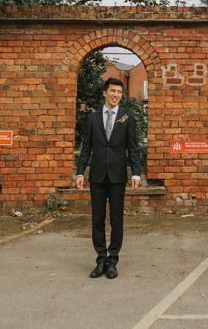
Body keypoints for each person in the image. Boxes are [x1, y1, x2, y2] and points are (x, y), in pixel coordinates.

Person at [75, 77, 141, 279]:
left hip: (118, 176)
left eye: (119, 92)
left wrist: (136, 173)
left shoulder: (127, 117)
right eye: (112, 91)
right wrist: (80, 172)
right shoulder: (93, 118)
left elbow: (133, 147)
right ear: (105, 93)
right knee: (97, 220)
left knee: (116, 219)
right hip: (96, 176)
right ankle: (100, 259)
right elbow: (86, 147)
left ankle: (113, 260)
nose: (116, 95)